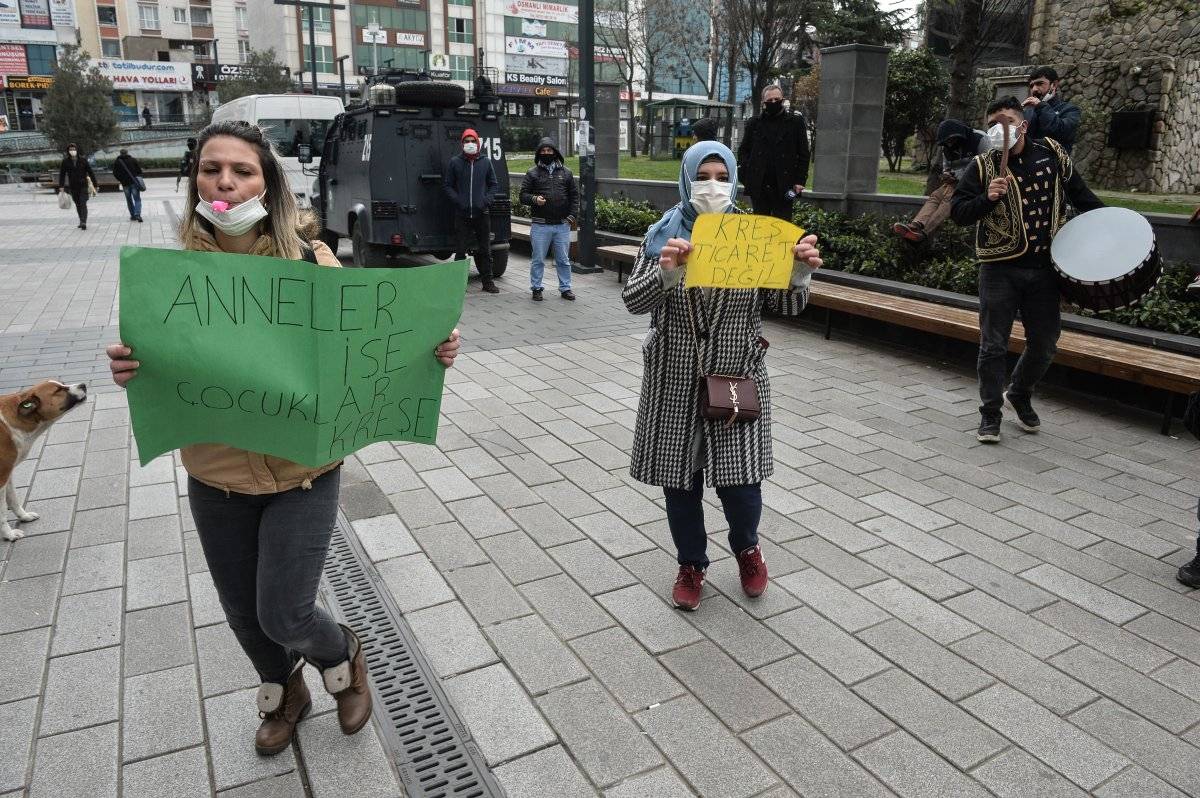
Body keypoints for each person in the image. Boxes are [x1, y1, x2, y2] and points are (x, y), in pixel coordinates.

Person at [105, 120, 463, 757]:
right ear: (195, 181)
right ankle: (283, 689)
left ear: (267, 182)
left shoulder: (311, 261)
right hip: (216, 476)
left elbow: (362, 343)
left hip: (304, 473)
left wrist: (425, 347)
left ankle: (343, 657)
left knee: (285, 611)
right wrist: (132, 365)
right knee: (244, 613)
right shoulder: (173, 277)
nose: (225, 181)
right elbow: (155, 358)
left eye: (242, 170)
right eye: (212, 168)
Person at [622, 141, 823, 611]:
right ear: (686, 178)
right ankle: (691, 563)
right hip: (673, 377)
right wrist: (668, 273)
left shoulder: (755, 237)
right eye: (703, 176)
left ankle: (748, 549)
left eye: (721, 176)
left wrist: (798, 272)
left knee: (741, 479)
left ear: (733, 180)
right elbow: (633, 301)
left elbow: (786, 307)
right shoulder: (661, 236)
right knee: (680, 480)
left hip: (737, 374)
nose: (712, 186)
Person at [951, 97, 1103, 443]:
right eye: (992, 122)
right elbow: (958, 212)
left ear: (1022, 125)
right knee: (993, 346)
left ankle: (1019, 392)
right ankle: (990, 415)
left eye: (1004, 120)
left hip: (1046, 269)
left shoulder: (1051, 154)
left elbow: (1081, 196)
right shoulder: (983, 165)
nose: (997, 128)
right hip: (999, 268)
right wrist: (987, 198)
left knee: (1045, 343)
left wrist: (1114, 225)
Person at [893, 120, 988, 243]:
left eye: (951, 140)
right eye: (946, 142)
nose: (949, 144)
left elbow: (987, 164)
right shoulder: (947, 148)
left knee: (949, 198)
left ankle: (924, 233)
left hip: (977, 183)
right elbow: (947, 167)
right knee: (936, 196)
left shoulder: (979, 139)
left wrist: (960, 176)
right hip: (956, 182)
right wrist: (947, 174)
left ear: (958, 135)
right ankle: (916, 225)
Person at [737, 84, 809, 220]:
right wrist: (747, 175)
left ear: (782, 99)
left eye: (777, 99)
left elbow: (804, 154)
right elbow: (743, 151)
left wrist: (799, 181)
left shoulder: (795, 122)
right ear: (764, 103)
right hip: (759, 185)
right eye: (769, 101)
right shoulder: (754, 123)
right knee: (760, 224)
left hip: (784, 184)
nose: (774, 103)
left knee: (783, 225)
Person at [519, 137, 579, 301]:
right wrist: (534, 199)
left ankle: (566, 288)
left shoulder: (566, 173)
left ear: (555, 152)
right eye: (543, 151)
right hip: (540, 225)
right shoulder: (532, 173)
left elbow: (574, 196)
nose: (546, 153)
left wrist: (571, 216)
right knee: (538, 259)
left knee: (563, 260)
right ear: (539, 153)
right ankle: (536, 288)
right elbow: (522, 196)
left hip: (562, 225)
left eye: (549, 150)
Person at [444, 128, 500, 293]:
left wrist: (486, 201)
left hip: (481, 214)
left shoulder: (485, 162)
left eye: (472, 141)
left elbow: (494, 184)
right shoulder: (455, 162)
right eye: (466, 141)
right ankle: (457, 283)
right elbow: (447, 186)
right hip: (462, 214)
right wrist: (458, 200)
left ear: (478, 143)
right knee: (460, 250)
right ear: (462, 144)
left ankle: (487, 282)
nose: (470, 144)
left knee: (485, 250)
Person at [1023, 66, 1081, 154]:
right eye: (1031, 86)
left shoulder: (1070, 110)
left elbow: (1061, 132)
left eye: (1040, 83)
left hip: (1055, 165)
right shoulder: (1028, 111)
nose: (1034, 89)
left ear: (1054, 85)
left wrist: (1041, 106)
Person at [57, 143, 96, 230]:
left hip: (83, 185)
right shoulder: (65, 161)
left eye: (74, 149)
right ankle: (81, 220)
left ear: (77, 150)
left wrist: (95, 184)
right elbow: (62, 174)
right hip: (73, 186)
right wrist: (61, 185)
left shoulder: (83, 160)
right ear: (68, 151)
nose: (72, 151)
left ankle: (83, 222)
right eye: (70, 149)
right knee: (78, 204)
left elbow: (90, 172)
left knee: (83, 203)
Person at [113, 148, 144, 223]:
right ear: (127, 153)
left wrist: (121, 180)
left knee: (129, 200)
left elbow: (115, 173)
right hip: (134, 183)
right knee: (137, 199)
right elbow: (139, 171)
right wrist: (136, 177)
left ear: (120, 153)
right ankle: (138, 214)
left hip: (125, 184)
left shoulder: (117, 162)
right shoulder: (133, 160)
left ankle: (133, 215)